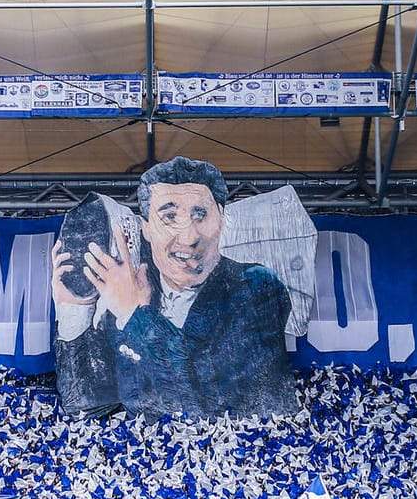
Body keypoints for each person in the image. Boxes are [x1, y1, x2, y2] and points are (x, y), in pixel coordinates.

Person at [52, 157, 297, 419]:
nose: (189, 237)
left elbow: (212, 404)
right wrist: (74, 313)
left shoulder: (256, 287)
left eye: (200, 215)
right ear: (145, 228)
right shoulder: (121, 300)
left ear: (222, 221)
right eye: (169, 217)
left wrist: (136, 315)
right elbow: (85, 407)